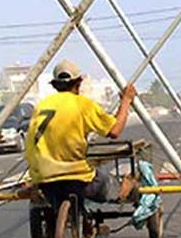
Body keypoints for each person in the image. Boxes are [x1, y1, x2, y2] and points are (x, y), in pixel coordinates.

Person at [24, 59, 137, 224]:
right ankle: (126, 190)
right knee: (115, 187)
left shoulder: (41, 106)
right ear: (78, 83)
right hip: (77, 178)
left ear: (55, 85)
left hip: (44, 179)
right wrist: (126, 101)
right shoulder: (82, 105)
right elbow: (114, 131)